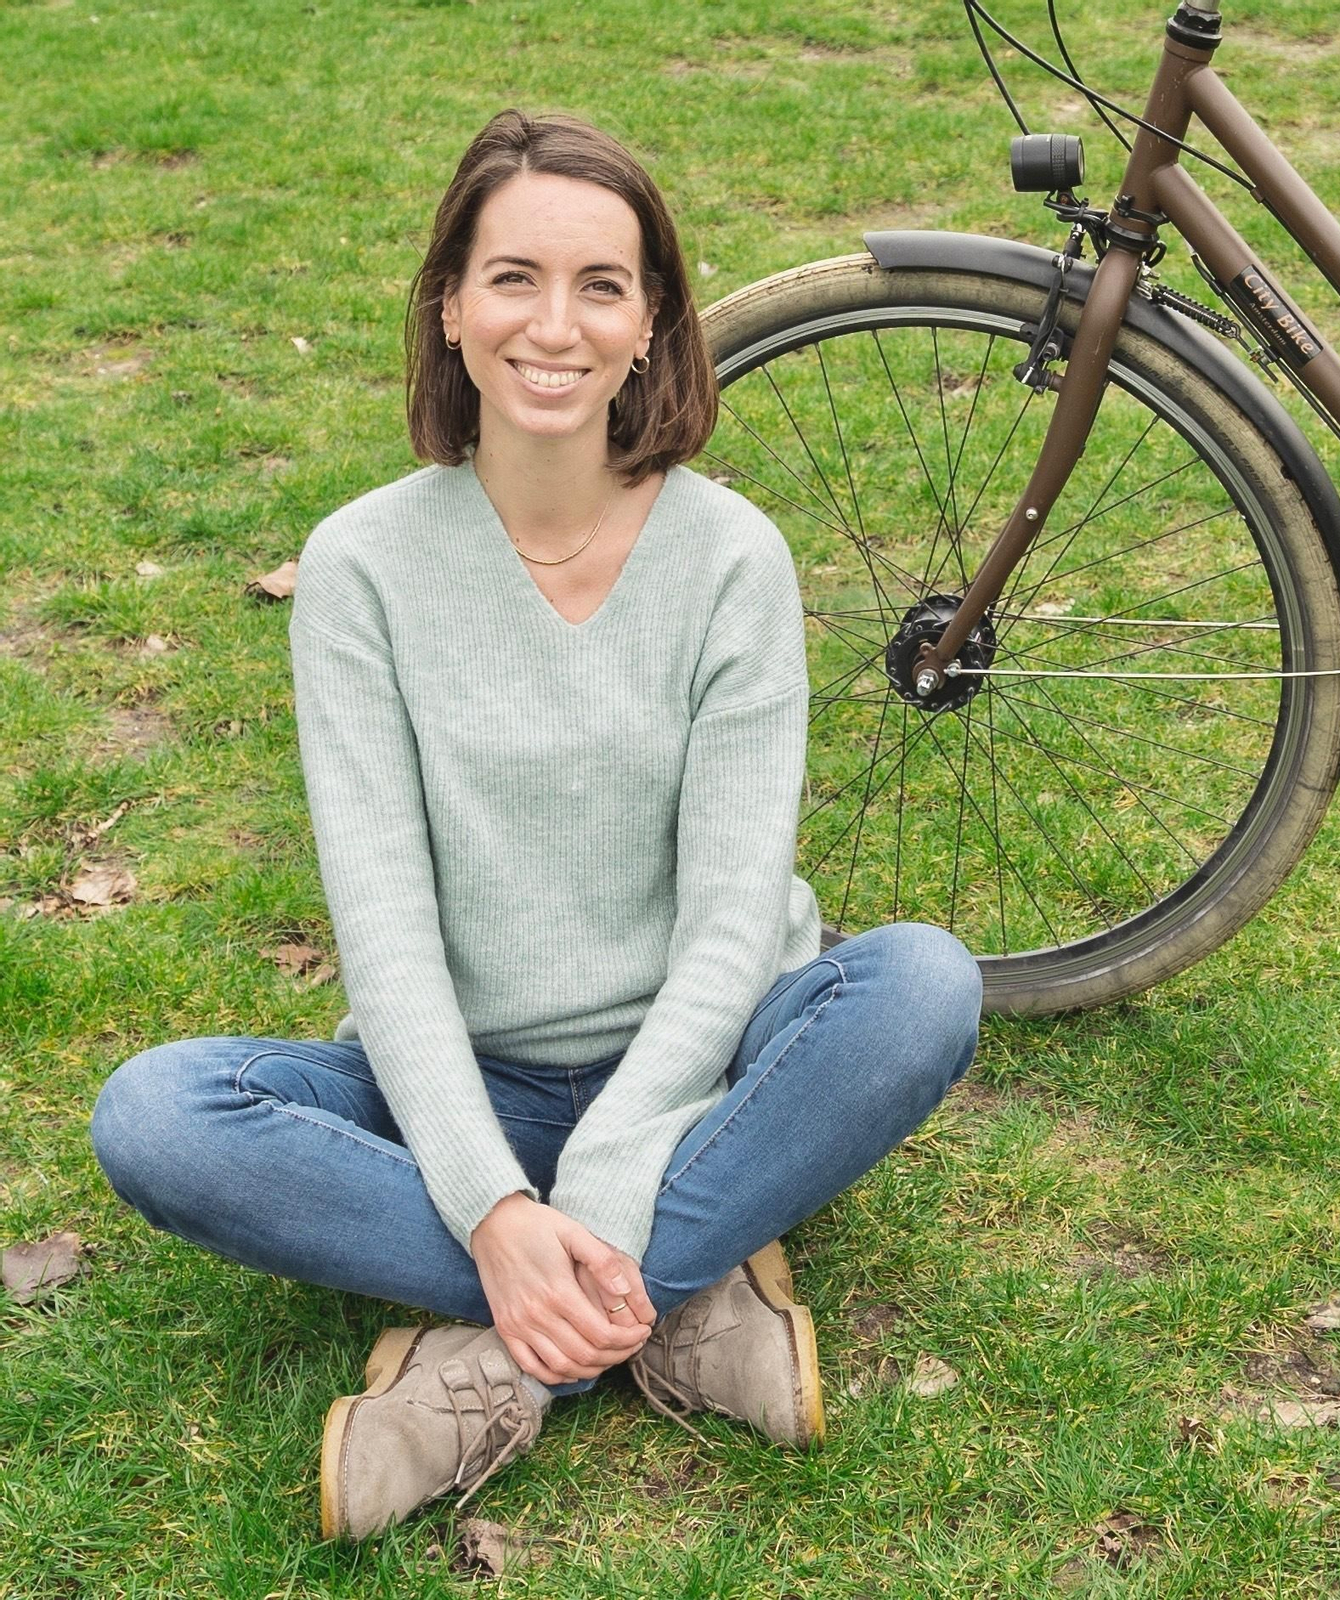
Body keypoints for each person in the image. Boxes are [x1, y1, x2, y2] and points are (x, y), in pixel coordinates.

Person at [89, 110, 984, 1543]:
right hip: (470, 1074)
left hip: (708, 1061)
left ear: (652, 329)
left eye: (601, 286)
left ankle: (510, 1361)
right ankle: (673, 1300)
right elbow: (383, 939)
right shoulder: (363, 568)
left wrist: (615, 1170)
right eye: (511, 278)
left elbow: (731, 920)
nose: (552, 325)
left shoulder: (731, 558)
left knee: (924, 983)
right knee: (156, 1117)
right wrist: (498, 1209)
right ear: (450, 308)